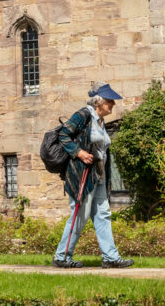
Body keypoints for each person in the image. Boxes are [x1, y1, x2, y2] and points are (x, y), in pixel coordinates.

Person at [51, 83, 135, 269]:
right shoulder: (84, 115)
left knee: (103, 214)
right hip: (82, 173)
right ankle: (62, 256)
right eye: (109, 100)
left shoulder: (99, 120)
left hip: (98, 174)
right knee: (80, 214)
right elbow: (64, 135)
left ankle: (110, 258)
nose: (113, 104)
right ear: (99, 101)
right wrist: (78, 152)